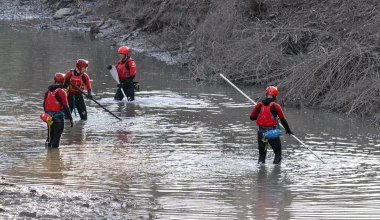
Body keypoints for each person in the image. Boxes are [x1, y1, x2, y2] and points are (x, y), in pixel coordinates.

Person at [249, 86, 294, 164]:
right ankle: (276, 173)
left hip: (261, 133)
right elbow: (283, 120)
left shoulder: (259, 105)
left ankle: (261, 173)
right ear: (275, 95)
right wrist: (288, 130)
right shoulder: (276, 106)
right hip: (273, 133)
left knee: (261, 157)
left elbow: (252, 117)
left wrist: (260, 116)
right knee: (278, 153)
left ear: (266, 94)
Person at [43, 73, 73, 148]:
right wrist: (70, 118)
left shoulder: (47, 92)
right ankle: (54, 156)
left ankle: (48, 152)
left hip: (49, 118)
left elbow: (44, 105)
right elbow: (66, 106)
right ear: (63, 81)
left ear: (54, 81)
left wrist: (46, 115)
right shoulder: (62, 92)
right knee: (57, 137)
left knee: (50, 137)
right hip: (58, 118)